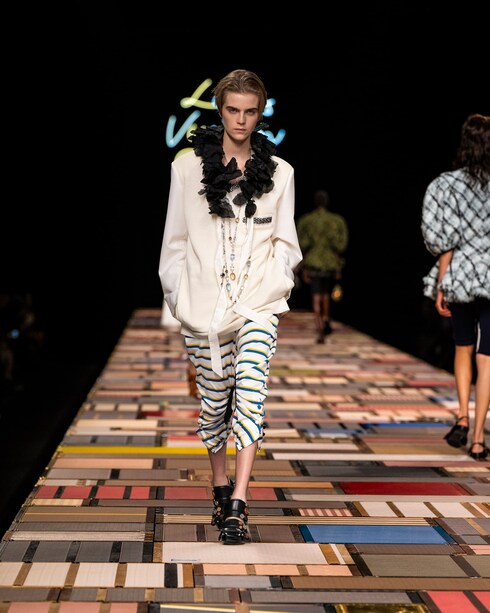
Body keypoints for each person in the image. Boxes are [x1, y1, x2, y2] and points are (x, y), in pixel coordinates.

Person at [158, 69, 302, 543]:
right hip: (202, 308)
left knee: (251, 394)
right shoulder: (186, 168)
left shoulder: (281, 174)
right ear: (220, 110)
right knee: (214, 404)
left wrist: (275, 285)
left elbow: (286, 243)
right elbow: (175, 241)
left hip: (258, 303)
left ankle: (238, 503)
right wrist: (179, 298)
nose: (241, 120)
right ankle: (220, 485)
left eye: (250, 111)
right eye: (233, 110)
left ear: (260, 114)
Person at [421, 113, 490, 460]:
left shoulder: (446, 185)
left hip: (461, 273)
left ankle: (462, 416)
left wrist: (441, 285)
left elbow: (443, 241)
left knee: (462, 346)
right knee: (487, 356)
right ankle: (478, 439)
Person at [296, 189, 348, 343]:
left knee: (316, 296)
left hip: (313, 263)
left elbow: (301, 243)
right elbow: (341, 245)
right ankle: (325, 318)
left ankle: (320, 329)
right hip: (331, 263)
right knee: (325, 294)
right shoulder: (336, 221)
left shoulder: (307, 221)